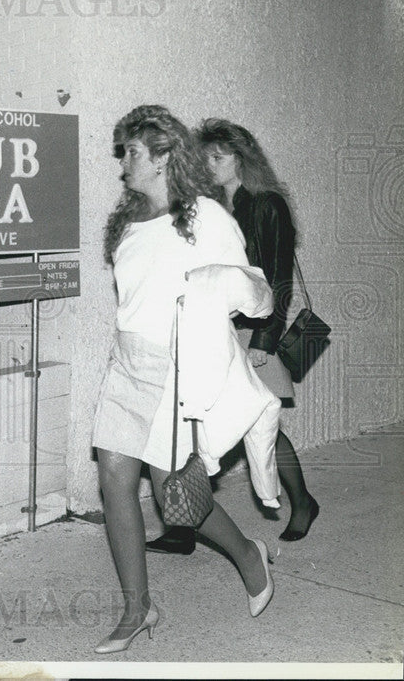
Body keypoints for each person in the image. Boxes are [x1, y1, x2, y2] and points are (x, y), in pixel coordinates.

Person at [92, 106, 274, 655]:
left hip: (175, 371)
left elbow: (253, 294)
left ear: (163, 155)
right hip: (126, 364)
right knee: (114, 481)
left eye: (132, 151)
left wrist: (220, 288)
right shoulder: (127, 221)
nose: (123, 162)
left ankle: (247, 553)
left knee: (179, 498)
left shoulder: (207, 217)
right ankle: (136, 608)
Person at [146, 119, 319, 557]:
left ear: (242, 159)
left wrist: (265, 339)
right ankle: (183, 527)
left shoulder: (267, 205)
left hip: (255, 330)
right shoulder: (207, 206)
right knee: (193, 422)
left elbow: (278, 278)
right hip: (214, 328)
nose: (210, 164)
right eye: (205, 157)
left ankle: (302, 503)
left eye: (218, 157)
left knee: (262, 423)